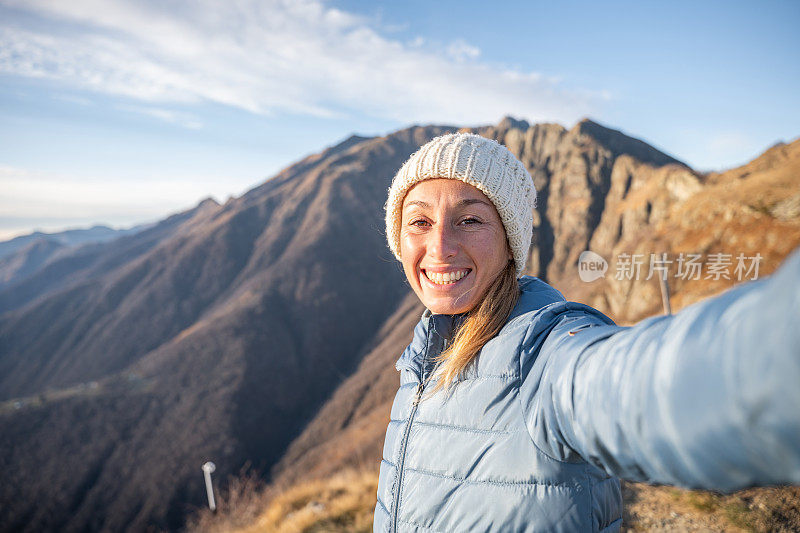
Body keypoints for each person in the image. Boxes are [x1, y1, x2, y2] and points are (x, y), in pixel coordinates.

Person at [373, 132, 800, 532]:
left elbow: (641, 385)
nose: (441, 246)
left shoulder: (544, 353)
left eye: (469, 220)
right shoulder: (421, 359)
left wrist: (774, 355)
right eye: (420, 222)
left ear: (510, 243)